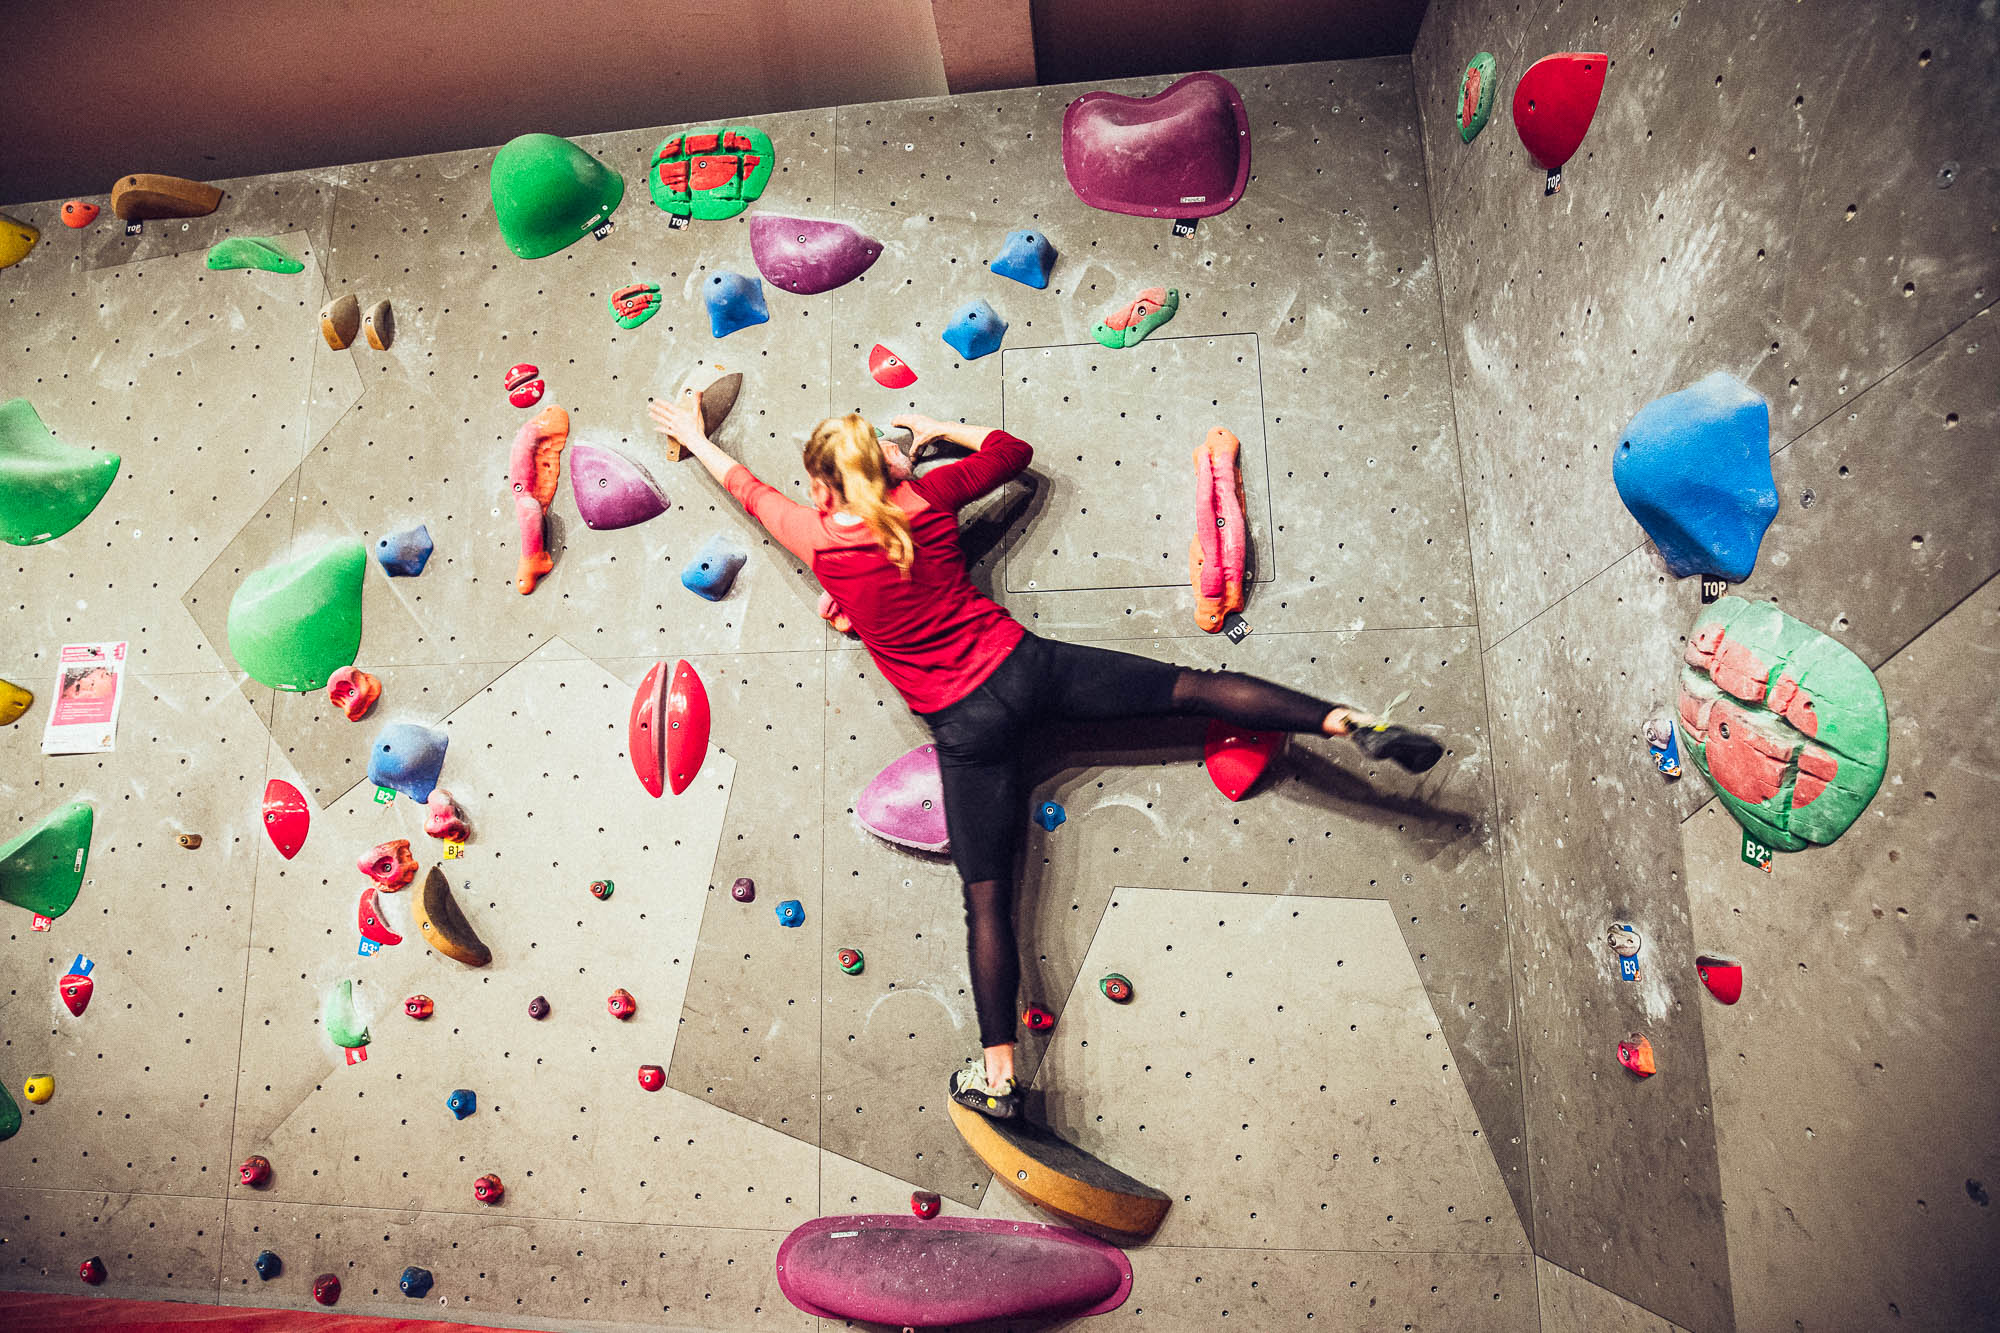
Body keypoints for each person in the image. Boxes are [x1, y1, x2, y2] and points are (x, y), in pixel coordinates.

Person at [651, 398, 1442, 1120]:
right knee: (1195, 686)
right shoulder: (927, 499)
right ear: (889, 469)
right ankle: (1345, 719)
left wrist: (692, 436)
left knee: (992, 906)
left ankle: (1000, 1078)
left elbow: (745, 488)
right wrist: (932, 433)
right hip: (1028, 670)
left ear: (822, 490)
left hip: (967, 732)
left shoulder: (814, 533)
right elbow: (1013, 453)